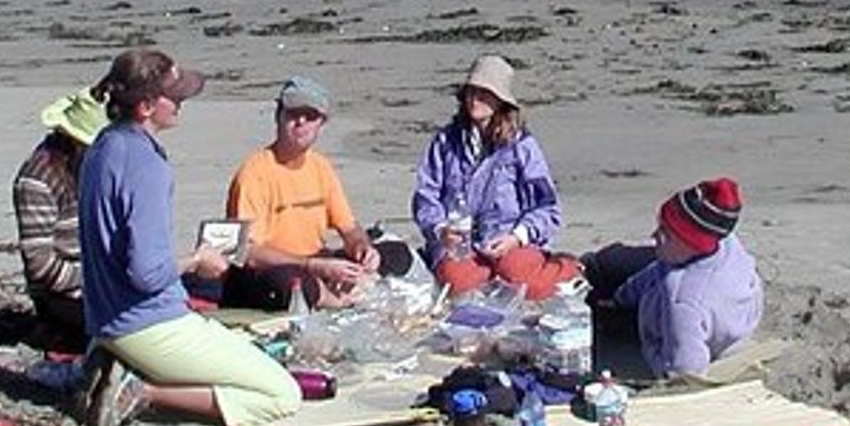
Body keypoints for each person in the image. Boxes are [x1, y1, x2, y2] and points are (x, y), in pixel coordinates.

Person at [77, 48, 301, 426]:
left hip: (106, 316)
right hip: (144, 323)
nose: (181, 102)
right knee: (282, 394)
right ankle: (143, 391)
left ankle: (123, 367)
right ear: (146, 106)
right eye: (174, 96)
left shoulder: (103, 144)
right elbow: (146, 273)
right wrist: (198, 260)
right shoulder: (146, 165)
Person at [222, 75, 415, 311]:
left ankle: (343, 287)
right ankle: (334, 299)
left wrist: (362, 248)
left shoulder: (320, 167)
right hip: (271, 270)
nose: (300, 122)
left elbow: (349, 227)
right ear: (279, 116)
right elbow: (248, 253)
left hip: (316, 259)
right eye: (293, 114)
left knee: (397, 253)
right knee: (291, 283)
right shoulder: (254, 173)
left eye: (310, 116)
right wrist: (313, 266)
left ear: (321, 123)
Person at [412, 54, 579, 300]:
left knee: (519, 277)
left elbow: (547, 208)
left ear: (500, 100)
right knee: (457, 284)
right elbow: (426, 196)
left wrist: (517, 237)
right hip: (458, 244)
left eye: (483, 93)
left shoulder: (522, 145)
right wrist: (440, 230)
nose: (474, 100)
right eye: (470, 92)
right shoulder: (445, 141)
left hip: (509, 240)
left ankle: (569, 269)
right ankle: (494, 290)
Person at [607, 178, 763, 379]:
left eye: (665, 233)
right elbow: (656, 272)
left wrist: (654, 355)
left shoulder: (685, 305)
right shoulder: (725, 243)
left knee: (606, 320)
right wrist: (621, 298)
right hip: (729, 318)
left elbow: (685, 371)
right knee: (616, 260)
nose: (654, 235)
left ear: (693, 244)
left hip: (671, 330)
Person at [11, 90, 106, 345]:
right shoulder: (38, 180)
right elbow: (40, 265)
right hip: (64, 293)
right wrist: (100, 280)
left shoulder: (95, 172)